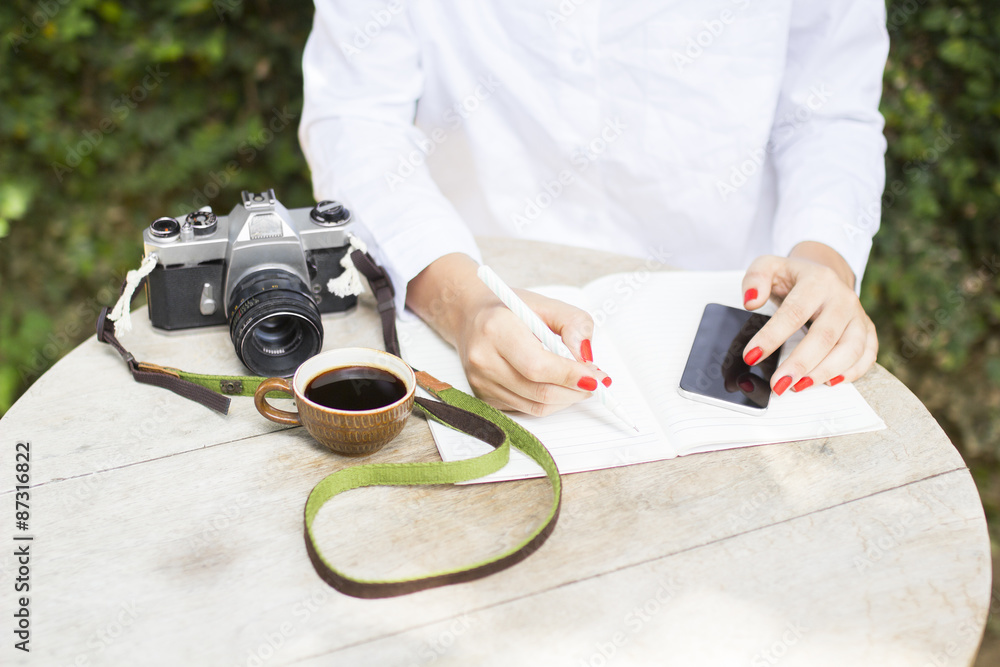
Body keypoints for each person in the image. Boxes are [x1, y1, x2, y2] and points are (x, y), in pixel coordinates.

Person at [299, 1, 888, 416]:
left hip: (729, 315)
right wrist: (460, 300)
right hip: (478, 306)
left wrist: (822, 258)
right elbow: (356, 115)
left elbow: (827, 114)